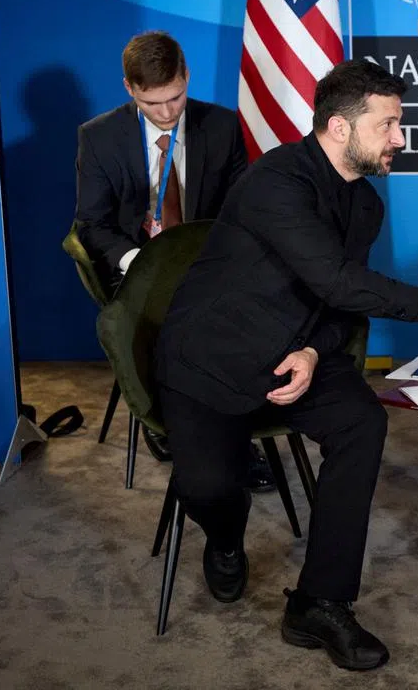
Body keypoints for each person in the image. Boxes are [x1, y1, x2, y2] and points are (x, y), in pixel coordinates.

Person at [153, 59, 418, 671]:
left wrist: (314, 352)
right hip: (215, 353)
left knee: (362, 424)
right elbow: (338, 280)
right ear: (340, 127)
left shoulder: (365, 206)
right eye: (388, 124)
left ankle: (320, 602)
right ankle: (226, 536)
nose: (400, 137)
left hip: (300, 352)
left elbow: (342, 304)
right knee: (209, 488)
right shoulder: (276, 181)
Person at [73, 31, 273, 488]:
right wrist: (136, 262)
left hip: (207, 260)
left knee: (245, 312)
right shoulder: (99, 137)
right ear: (129, 88)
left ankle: (230, 435)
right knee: (179, 317)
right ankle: (190, 430)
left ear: (187, 76)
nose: (166, 113)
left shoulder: (222, 126)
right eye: (152, 103)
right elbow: (91, 223)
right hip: (136, 265)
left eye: (175, 98)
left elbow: (239, 209)